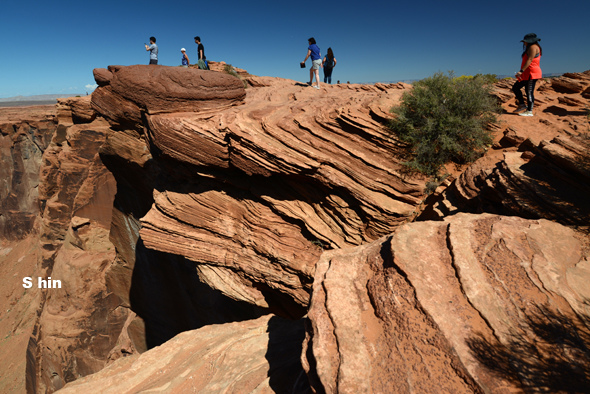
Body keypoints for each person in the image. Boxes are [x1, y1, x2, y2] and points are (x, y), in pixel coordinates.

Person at [512, 33, 542, 117]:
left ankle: (529, 111)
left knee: (529, 92)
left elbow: (530, 59)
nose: (524, 43)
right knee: (515, 87)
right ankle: (522, 105)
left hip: (532, 73)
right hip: (526, 73)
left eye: (525, 41)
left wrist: (521, 71)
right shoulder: (530, 48)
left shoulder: (533, 47)